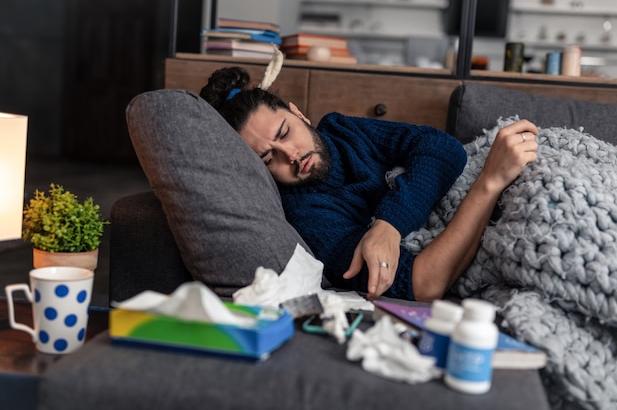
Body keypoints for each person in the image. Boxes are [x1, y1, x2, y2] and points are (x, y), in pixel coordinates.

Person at [200, 66, 539, 302]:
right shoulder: (307, 215)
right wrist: (491, 182)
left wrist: (388, 225)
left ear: (298, 113)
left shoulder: (341, 130)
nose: (290, 155)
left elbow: (441, 147)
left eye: (285, 132)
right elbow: (422, 284)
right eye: (267, 158)